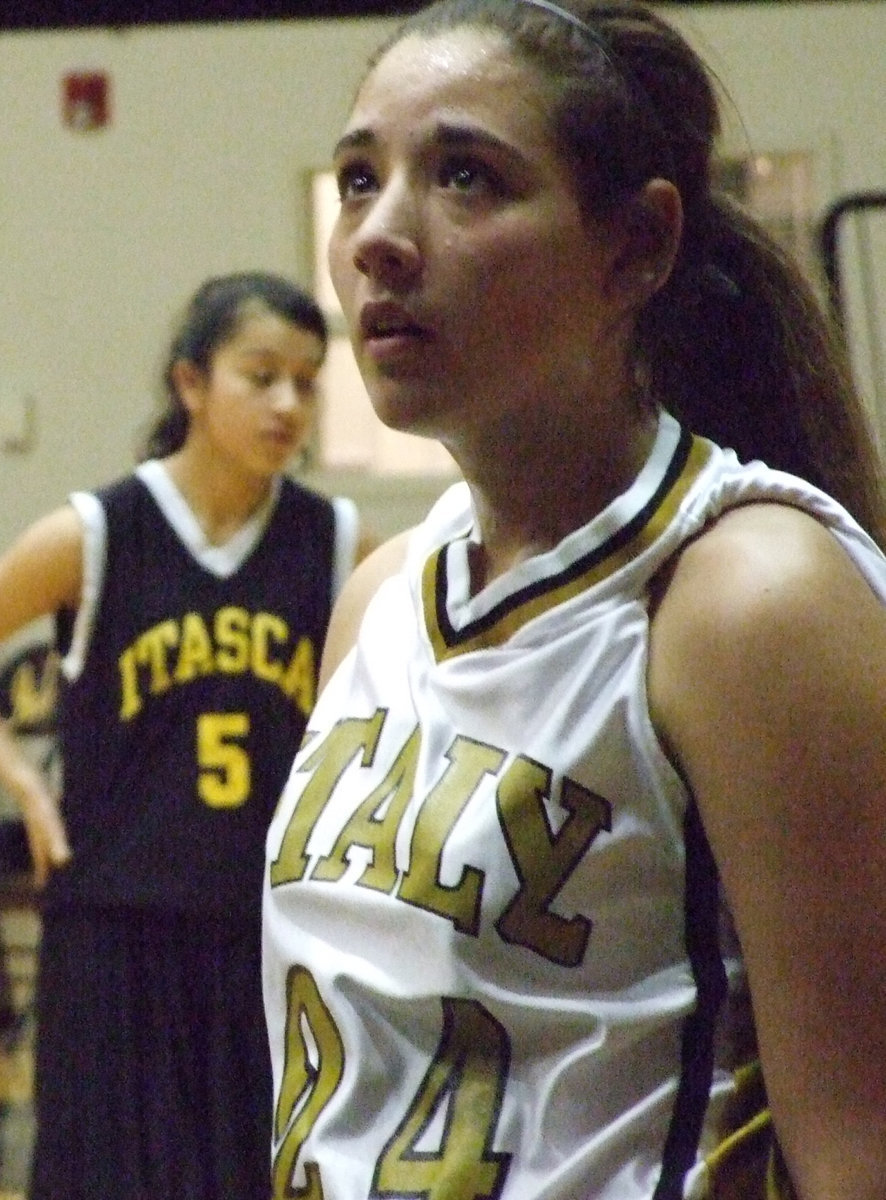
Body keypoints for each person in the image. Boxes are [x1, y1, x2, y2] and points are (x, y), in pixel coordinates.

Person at [261, 3, 886, 1199]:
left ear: (636, 248)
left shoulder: (748, 600)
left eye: (464, 177)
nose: (379, 236)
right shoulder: (380, 595)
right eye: (356, 179)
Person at [0, 270, 370, 1200]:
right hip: (113, 936)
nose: (288, 403)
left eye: (306, 380)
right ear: (191, 384)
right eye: (261, 375)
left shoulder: (335, 541)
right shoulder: (97, 533)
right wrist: (24, 781)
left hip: (267, 935)